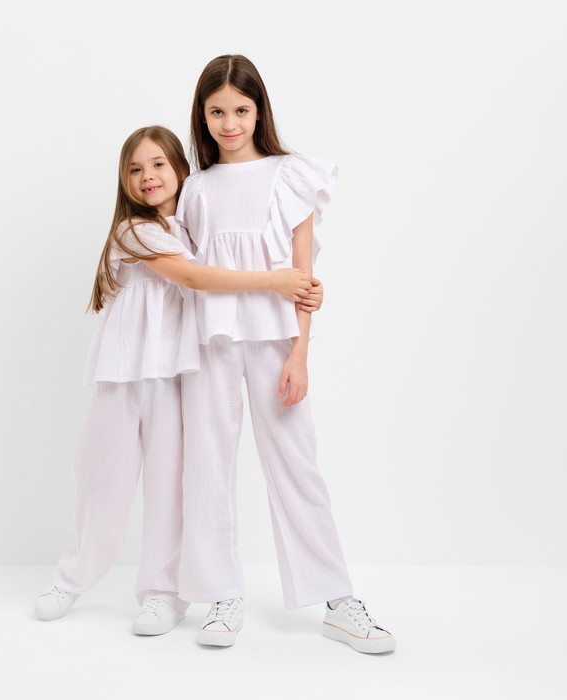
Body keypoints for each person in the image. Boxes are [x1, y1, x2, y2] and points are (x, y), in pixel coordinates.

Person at [33, 125, 322, 636]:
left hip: (177, 374)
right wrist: (275, 281)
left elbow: (241, 254)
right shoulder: (134, 231)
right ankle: (72, 578)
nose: (147, 177)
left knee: (170, 487)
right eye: (135, 169)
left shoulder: (194, 230)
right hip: (124, 373)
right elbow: (194, 277)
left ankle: (163, 594)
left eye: (158, 165)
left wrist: (303, 290)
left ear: (182, 171)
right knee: (103, 480)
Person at [175, 55, 395, 653]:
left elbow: (303, 276)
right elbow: (192, 274)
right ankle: (222, 594)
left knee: (298, 466)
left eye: (240, 110)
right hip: (210, 341)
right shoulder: (195, 189)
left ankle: (338, 600)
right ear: (202, 116)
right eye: (216, 111)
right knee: (209, 465)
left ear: (259, 111)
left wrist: (300, 354)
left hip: (276, 342)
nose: (229, 123)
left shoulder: (291, 174)